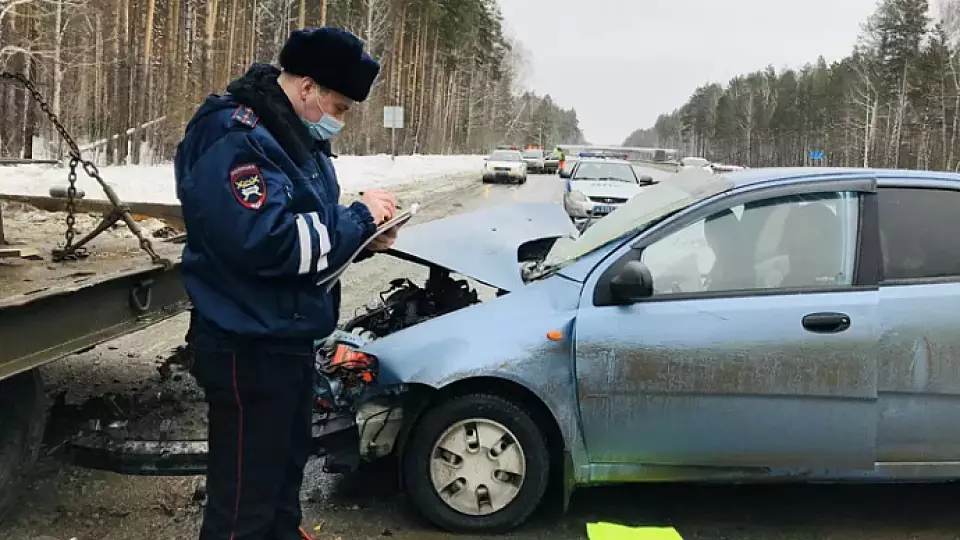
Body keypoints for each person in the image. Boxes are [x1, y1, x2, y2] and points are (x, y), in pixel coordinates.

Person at [174, 27, 398, 540]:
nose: (339, 122)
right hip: (246, 346)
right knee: (243, 506)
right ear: (307, 88)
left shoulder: (289, 136)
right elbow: (268, 241)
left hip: (285, 337)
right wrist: (358, 219)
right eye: (339, 107)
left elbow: (308, 239)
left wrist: (364, 239)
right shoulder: (237, 136)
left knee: (281, 487)